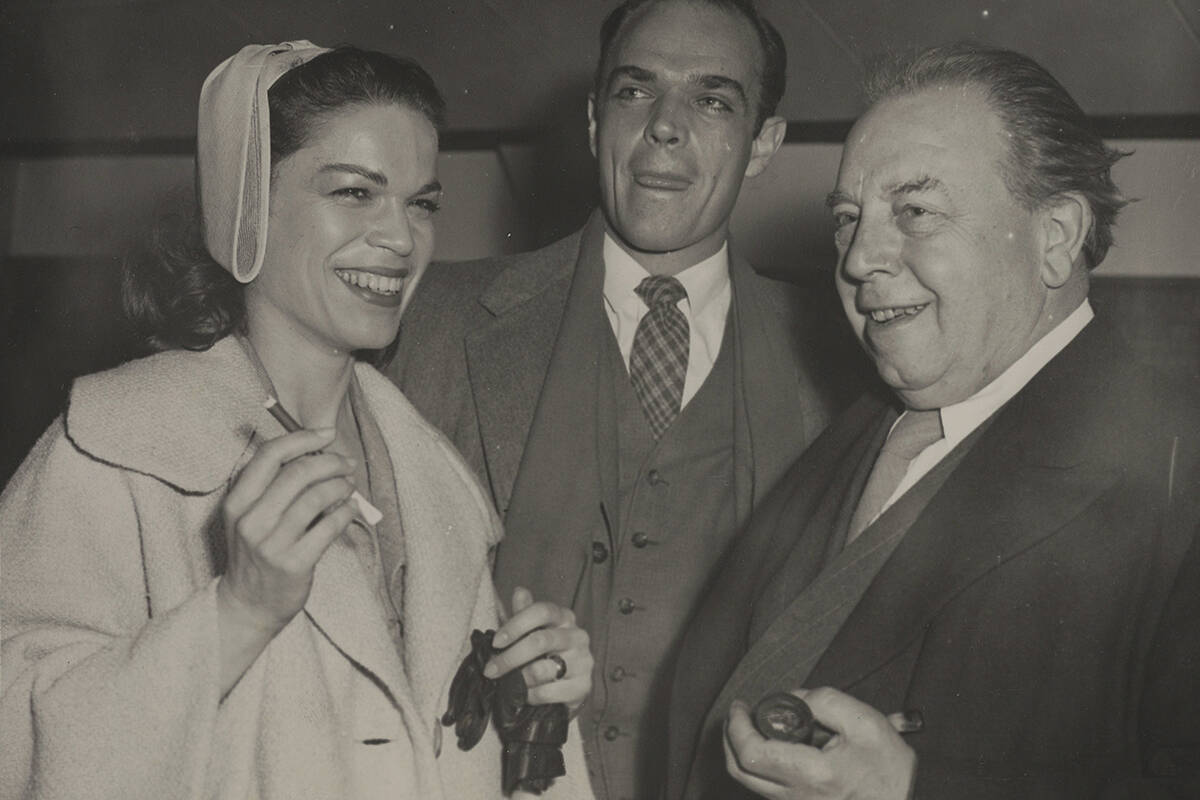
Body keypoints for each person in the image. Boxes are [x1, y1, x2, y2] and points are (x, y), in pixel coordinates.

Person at [0, 42, 596, 800]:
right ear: (242, 205)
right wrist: (237, 612)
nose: (402, 238)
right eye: (355, 193)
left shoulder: (433, 473)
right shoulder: (112, 449)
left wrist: (530, 713)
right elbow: (16, 738)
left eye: (421, 203)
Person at [666, 42, 1200, 799]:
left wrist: (917, 790)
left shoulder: (1181, 472)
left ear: (1054, 240)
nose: (857, 259)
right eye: (848, 219)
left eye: (914, 211)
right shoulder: (848, 432)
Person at [386, 2, 861, 797]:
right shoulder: (431, 323)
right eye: (636, 92)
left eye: (713, 100)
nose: (666, 126)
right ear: (593, 119)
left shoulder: (848, 368)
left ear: (764, 146)